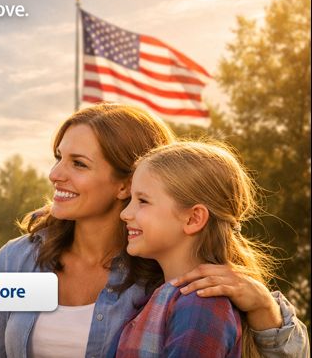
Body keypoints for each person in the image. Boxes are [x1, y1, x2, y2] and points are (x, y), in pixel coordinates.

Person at [0, 103, 308, 358]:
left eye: (78, 163)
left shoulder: (168, 268)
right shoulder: (19, 257)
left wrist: (265, 308)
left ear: (126, 184)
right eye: (58, 157)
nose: (55, 174)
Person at [116, 141, 275, 357]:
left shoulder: (201, 303)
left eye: (142, 201)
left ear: (193, 218)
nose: (125, 213)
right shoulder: (165, 296)